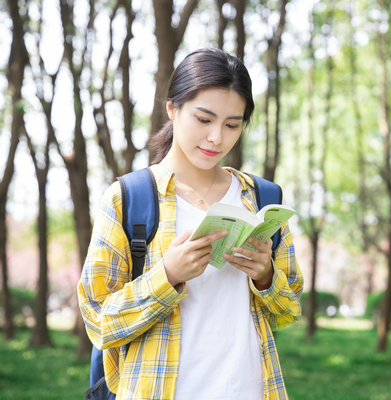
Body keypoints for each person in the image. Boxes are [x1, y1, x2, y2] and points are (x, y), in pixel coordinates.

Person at [77, 48, 303, 400]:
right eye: (203, 119)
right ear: (173, 108)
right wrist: (167, 275)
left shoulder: (260, 198)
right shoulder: (128, 198)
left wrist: (265, 276)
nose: (217, 137)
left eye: (232, 125)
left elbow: (289, 310)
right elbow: (98, 321)